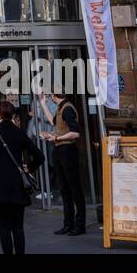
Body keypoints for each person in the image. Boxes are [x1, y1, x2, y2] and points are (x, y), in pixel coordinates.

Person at [0, 101, 44, 255]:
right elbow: (39, 156)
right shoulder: (19, 132)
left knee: (4, 227)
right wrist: (29, 167)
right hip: (17, 183)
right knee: (18, 227)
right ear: (13, 115)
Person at [41, 92, 86, 235]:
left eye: (50, 96)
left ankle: (80, 225)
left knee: (75, 189)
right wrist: (43, 104)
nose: (49, 98)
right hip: (60, 150)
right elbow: (53, 121)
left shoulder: (67, 108)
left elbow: (75, 133)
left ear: (55, 95)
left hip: (68, 151)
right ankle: (68, 224)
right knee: (64, 189)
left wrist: (56, 138)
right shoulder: (61, 108)